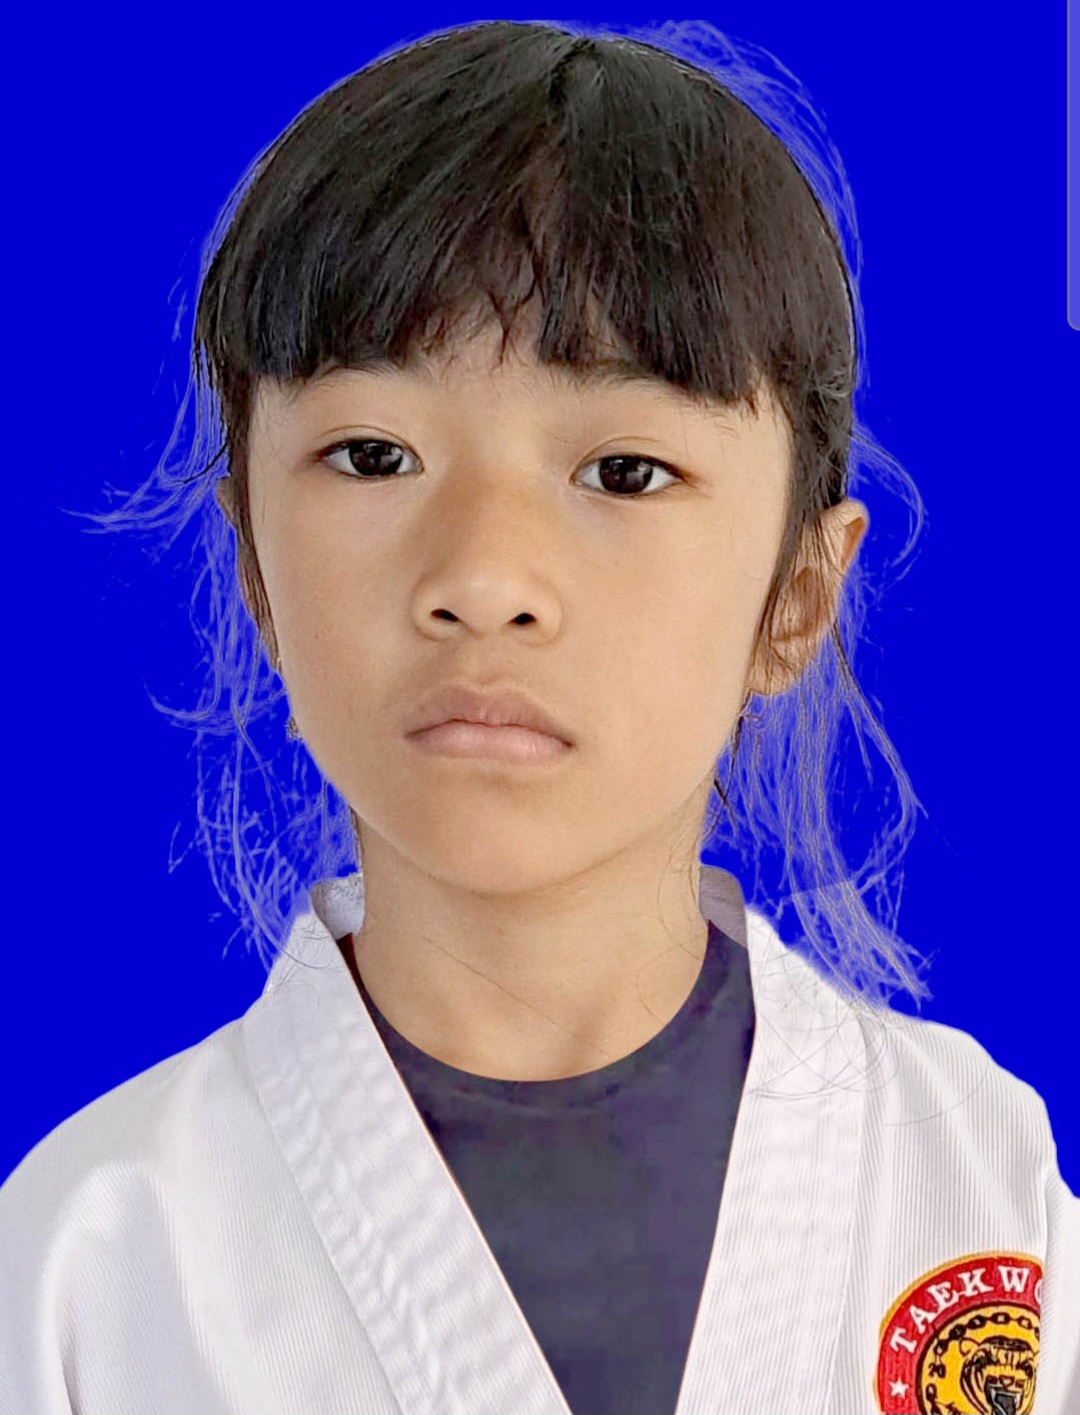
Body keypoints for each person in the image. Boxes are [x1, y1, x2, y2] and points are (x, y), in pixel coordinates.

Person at [1, 19, 1076, 1415]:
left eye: (625, 471)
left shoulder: (980, 1186)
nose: (484, 579)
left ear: (799, 597)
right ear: (257, 569)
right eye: (372, 454)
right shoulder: (85, 1260)